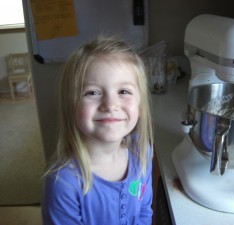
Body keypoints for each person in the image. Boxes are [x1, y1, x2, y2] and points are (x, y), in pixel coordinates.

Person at [41, 37, 154, 225]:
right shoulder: (63, 183)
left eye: (124, 91)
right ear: (71, 106)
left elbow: (144, 211)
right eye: (93, 92)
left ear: (140, 105)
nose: (110, 105)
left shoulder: (141, 153)